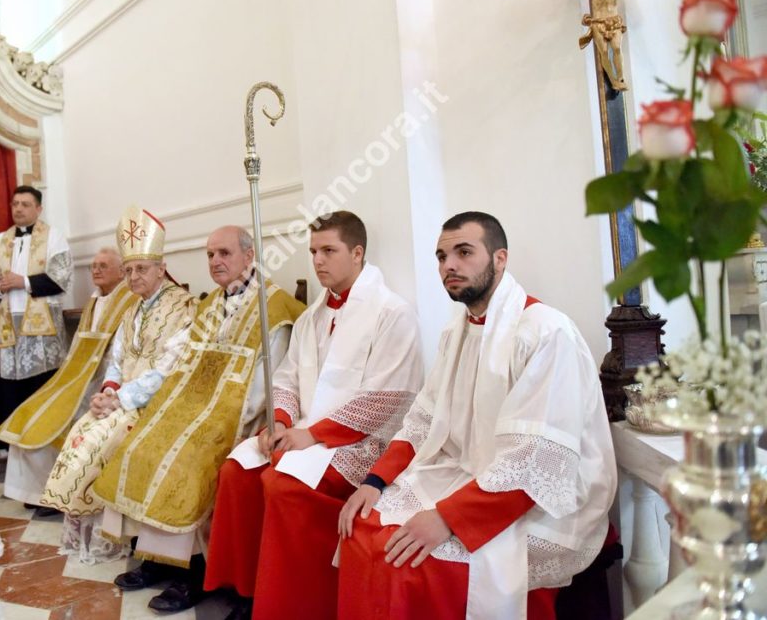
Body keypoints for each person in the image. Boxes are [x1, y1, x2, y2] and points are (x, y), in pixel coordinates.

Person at [336, 211, 616, 620]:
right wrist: (375, 482)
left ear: (500, 259)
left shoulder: (546, 333)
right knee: (363, 529)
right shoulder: (458, 331)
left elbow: (534, 460)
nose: (449, 265)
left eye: (464, 252)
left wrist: (449, 519)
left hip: (544, 501)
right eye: (441, 256)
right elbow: (422, 420)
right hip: (466, 473)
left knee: (407, 558)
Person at [204, 211, 425, 620]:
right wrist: (283, 423)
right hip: (305, 433)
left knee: (283, 485)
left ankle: (290, 605)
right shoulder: (312, 317)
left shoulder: (392, 313)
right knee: (236, 472)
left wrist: (314, 436)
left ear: (357, 253)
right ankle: (248, 590)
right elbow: (286, 377)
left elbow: (388, 399)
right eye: (312, 252)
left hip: (364, 442)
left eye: (328, 251)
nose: (318, 261)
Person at [91, 226, 306, 613]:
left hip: (240, 416)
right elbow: (176, 360)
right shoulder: (208, 305)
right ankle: (156, 558)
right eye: (209, 255)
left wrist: (224, 419)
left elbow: (266, 383)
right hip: (190, 406)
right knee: (141, 444)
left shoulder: (273, 308)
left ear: (249, 256)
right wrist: (136, 399)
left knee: (189, 463)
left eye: (224, 253)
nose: (215, 262)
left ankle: (196, 573)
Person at [40, 205, 196, 564]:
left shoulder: (183, 307)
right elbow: (117, 359)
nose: (134, 276)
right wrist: (108, 391)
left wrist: (121, 398)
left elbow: (167, 369)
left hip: (156, 403)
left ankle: (114, 537)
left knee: (99, 439)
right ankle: (93, 533)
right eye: (128, 270)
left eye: (141, 269)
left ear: (161, 268)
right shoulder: (132, 310)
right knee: (85, 427)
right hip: (122, 400)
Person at [0, 247, 137, 506]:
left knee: (56, 423)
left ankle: (56, 493)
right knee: (30, 415)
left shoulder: (130, 301)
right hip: (77, 377)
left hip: (104, 382)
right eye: (93, 264)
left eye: (103, 265)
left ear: (120, 272)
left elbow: (123, 352)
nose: (95, 269)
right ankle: (36, 492)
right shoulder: (94, 300)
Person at [0, 185, 72, 452]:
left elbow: (60, 276)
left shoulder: (53, 237)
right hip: (9, 323)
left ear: (38, 209)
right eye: (15, 204)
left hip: (42, 326)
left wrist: (24, 281)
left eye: (25, 204)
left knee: (41, 382)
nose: (18, 209)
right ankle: (10, 443)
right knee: (10, 385)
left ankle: (44, 441)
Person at [544, 0, 654, 91]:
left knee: (616, 48)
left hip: (614, 22)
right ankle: (613, 80)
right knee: (603, 51)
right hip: (598, 23)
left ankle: (620, 77)